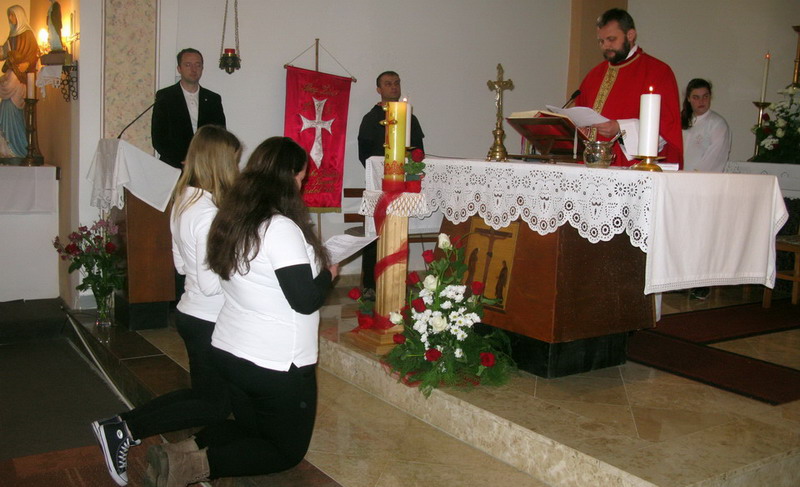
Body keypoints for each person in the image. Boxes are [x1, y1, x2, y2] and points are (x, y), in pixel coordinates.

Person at [143, 137, 338, 486]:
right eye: (301, 177)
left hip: (230, 349)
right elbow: (304, 300)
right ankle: (186, 468)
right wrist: (328, 275)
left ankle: (179, 451)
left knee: (248, 428)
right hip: (277, 361)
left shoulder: (231, 219)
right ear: (288, 177)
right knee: (284, 451)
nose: (301, 185)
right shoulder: (280, 228)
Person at [91, 125, 242, 487]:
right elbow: (211, 283)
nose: (237, 168)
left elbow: (180, 265)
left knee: (204, 396)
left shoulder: (185, 201)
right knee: (214, 405)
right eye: (234, 161)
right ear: (220, 163)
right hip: (208, 317)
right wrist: (241, 265)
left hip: (193, 312)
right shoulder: (207, 213)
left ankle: (124, 428)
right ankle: (127, 429)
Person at [575, 8, 683, 169]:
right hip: (591, 168)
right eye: (601, 41)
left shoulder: (658, 72)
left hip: (633, 168)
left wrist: (620, 128)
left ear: (630, 35)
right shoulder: (593, 76)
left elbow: (667, 130)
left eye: (611, 39)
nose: (605, 46)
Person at [357, 71, 425, 293]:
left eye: (396, 83)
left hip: (404, 184)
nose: (393, 87)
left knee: (399, 229)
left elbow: (418, 152)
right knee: (375, 231)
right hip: (379, 184)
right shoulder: (371, 118)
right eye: (388, 84)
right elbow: (364, 155)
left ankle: (397, 281)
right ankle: (370, 285)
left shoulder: (410, 118)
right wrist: (382, 172)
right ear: (379, 89)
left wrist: (409, 172)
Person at [152, 48, 226, 169]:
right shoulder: (165, 96)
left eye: (198, 65)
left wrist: (203, 159)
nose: (193, 69)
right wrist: (183, 159)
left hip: (205, 166)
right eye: (188, 65)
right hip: (174, 166)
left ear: (202, 68)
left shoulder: (213, 99)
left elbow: (220, 134)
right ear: (179, 69)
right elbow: (159, 137)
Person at [0, 5, 37, 158]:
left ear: (19, 16)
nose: (10, 18)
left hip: (19, 79)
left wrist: (25, 64)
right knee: (5, 107)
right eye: (9, 15)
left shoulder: (28, 34)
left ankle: (18, 149)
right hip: (12, 75)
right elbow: (3, 53)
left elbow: (33, 54)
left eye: (12, 15)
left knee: (13, 111)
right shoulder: (12, 36)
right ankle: (6, 149)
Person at [681, 78, 731, 173]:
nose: (701, 101)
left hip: (702, 177)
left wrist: (694, 176)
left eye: (705, 96)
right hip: (678, 175)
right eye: (696, 97)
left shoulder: (717, 124)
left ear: (710, 97)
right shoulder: (681, 121)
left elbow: (715, 156)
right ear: (688, 98)